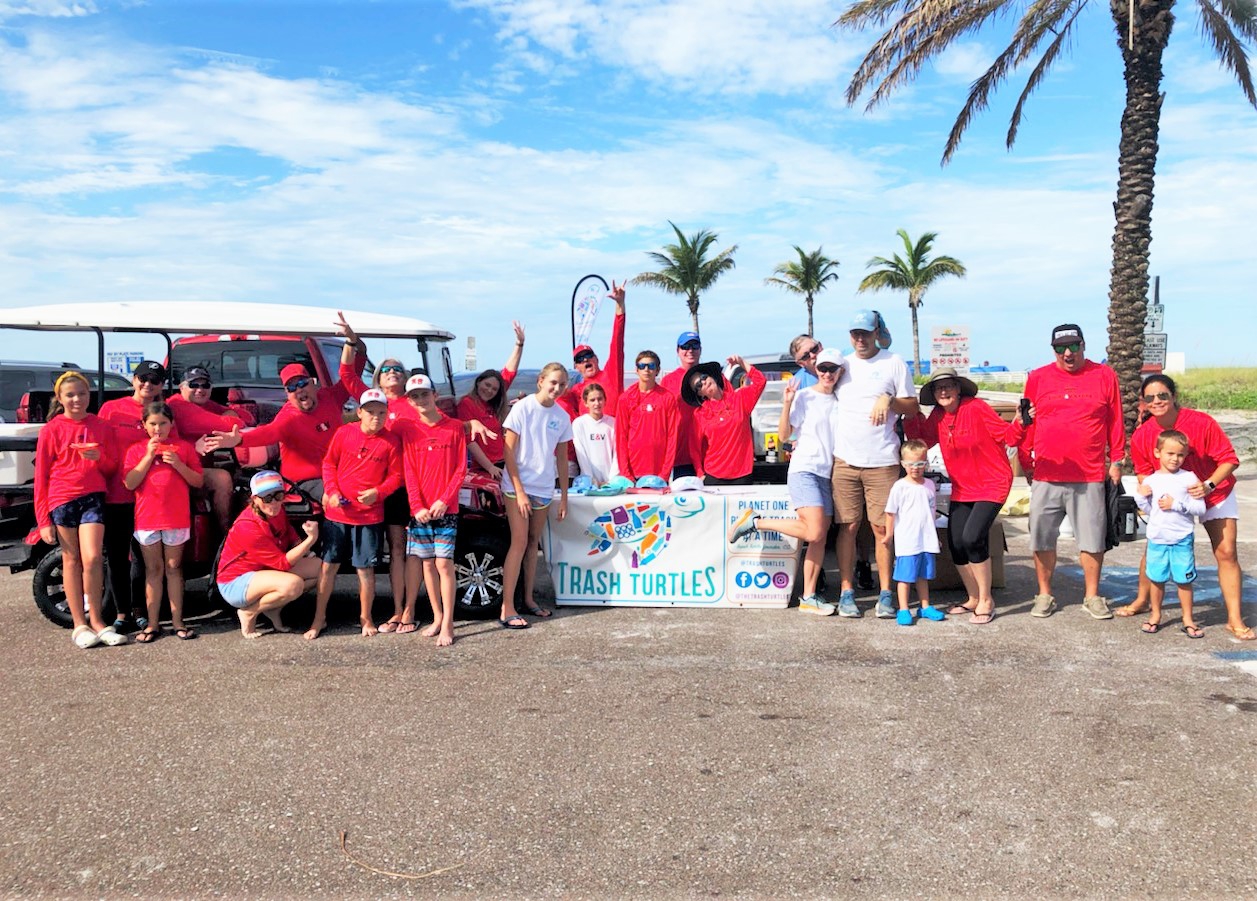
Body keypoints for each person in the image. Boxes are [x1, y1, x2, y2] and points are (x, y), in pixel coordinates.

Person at [1117, 373, 1252, 640]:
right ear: (1143, 403)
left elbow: (1229, 459)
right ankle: (1142, 600)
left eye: (1162, 395)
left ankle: (1234, 619)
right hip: (1170, 506)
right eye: (1150, 398)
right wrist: (1150, 499)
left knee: (1226, 552)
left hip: (1215, 494)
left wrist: (1208, 486)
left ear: (1174, 396)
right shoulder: (1143, 436)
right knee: (1154, 546)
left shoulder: (1202, 422)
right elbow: (1144, 473)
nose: (1157, 401)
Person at [728, 348, 844, 614]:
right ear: (816, 369)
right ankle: (755, 522)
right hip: (804, 469)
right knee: (814, 531)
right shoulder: (804, 396)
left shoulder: (840, 400)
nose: (826, 373)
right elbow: (783, 436)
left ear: (840, 372)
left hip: (827, 473)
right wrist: (788, 402)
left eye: (832, 369)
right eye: (822, 368)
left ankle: (809, 597)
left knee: (819, 538)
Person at [1021, 324, 1125, 619]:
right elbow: (1028, 420)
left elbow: (1115, 419)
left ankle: (1092, 596)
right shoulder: (1038, 378)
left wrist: (1116, 460)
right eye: (1060, 348)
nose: (1068, 353)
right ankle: (1044, 593)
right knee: (1041, 538)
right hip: (1046, 473)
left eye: (1074, 346)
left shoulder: (1104, 375)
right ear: (1053, 349)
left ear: (1083, 345)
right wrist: (1027, 463)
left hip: (1090, 474)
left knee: (1092, 539)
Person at [905, 367, 1023, 624]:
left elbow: (1007, 436)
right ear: (934, 394)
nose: (944, 391)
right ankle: (972, 598)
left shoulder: (976, 408)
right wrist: (909, 413)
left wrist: (1020, 422)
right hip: (963, 486)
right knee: (956, 543)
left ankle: (986, 599)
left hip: (993, 482)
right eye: (938, 388)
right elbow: (921, 440)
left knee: (972, 538)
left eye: (949, 386)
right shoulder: (937, 416)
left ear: (959, 389)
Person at [206, 312, 368, 499]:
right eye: (292, 387)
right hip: (306, 482)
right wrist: (238, 440)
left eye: (302, 383)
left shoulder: (330, 396)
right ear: (287, 395)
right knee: (338, 495)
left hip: (338, 473)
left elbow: (352, 375)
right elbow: (267, 433)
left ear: (314, 384)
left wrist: (355, 343)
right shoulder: (289, 417)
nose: (299, 390)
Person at [831, 309, 919, 619]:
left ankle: (885, 594)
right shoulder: (843, 364)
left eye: (866, 333)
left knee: (882, 529)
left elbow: (913, 406)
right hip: (845, 461)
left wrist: (889, 400)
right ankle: (846, 591)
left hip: (882, 461)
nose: (860, 338)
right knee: (849, 527)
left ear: (876, 332)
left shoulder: (893, 361)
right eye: (855, 333)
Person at [34, 371, 125, 649]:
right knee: (71, 560)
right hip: (61, 498)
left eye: (82, 394)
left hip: (93, 497)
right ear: (60, 399)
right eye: (70, 395)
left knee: (94, 557)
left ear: (89, 396)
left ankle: (97, 620)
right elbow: (42, 477)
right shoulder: (51, 429)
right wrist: (43, 520)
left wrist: (100, 458)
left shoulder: (101, 426)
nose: (77, 399)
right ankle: (79, 624)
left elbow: (111, 469)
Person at [306, 388, 403, 640]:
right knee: (328, 567)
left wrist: (378, 492)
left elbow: (397, 476)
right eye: (370, 412)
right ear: (359, 412)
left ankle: (366, 618)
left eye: (381, 412)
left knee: (365, 570)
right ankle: (318, 619)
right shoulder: (344, 433)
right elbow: (329, 464)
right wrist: (332, 490)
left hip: (370, 517)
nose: (376, 417)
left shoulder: (391, 441)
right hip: (337, 515)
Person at [392, 374, 467, 646]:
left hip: (446, 508)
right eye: (415, 396)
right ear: (409, 401)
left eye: (425, 394)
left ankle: (448, 622)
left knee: (444, 564)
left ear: (434, 395)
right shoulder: (409, 429)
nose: (421, 399)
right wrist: (416, 507)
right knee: (426, 563)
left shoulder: (455, 427)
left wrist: (445, 500)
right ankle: (436, 617)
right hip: (421, 511)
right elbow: (409, 471)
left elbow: (461, 469)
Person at [98, 359, 171, 634]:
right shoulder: (111, 409)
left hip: (149, 499)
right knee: (117, 555)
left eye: (154, 381)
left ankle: (140, 609)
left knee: (143, 558)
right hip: (117, 493)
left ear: (161, 385)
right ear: (134, 378)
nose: (147, 384)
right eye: (143, 378)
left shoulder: (162, 412)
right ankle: (121, 612)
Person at [122, 402, 204, 642]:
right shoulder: (136, 450)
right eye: (153, 424)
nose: (158, 429)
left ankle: (179, 622)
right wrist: (148, 456)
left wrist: (178, 464)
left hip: (176, 517)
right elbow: (130, 482)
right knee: (153, 570)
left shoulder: (184, 448)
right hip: (147, 518)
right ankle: (153, 624)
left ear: (171, 424)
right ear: (144, 425)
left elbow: (198, 481)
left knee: (174, 569)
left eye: (163, 423)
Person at [500, 363, 572, 629]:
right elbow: (508, 452)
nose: (557, 388)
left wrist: (563, 496)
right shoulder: (523, 408)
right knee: (518, 543)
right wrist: (519, 491)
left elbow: (562, 459)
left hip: (543, 489)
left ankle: (528, 599)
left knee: (533, 545)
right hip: (517, 486)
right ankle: (507, 606)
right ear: (541, 381)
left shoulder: (563, 416)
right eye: (553, 382)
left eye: (562, 384)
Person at [216, 470, 321, 638]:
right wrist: (310, 540)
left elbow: (289, 533)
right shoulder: (248, 526)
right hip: (235, 582)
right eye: (267, 498)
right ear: (254, 499)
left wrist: (302, 547)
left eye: (278, 495)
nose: (273, 503)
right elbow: (282, 564)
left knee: (322, 569)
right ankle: (249, 612)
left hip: (263, 570)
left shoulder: (278, 511)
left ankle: (273, 608)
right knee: (293, 585)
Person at [1133, 429, 1207, 638]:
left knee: (1184, 580)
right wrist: (1140, 498)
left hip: (1181, 538)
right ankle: (1155, 615)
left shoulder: (1189, 478)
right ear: (1158, 453)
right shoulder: (1151, 480)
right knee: (1156, 579)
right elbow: (1151, 510)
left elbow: (1200, 509)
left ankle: (1188, 619)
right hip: (1157, 538)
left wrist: (1177, 505)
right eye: (1170, 454)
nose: (1175, 459)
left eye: (1180, 455)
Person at [167, 365, 249, 530]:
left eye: (205, 385)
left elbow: (248, 417)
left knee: (239, 473)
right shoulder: (178, 405)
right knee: (222, 478)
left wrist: (230, 414)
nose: (200, 389)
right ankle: (224, 534)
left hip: (196, 467)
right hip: (178, 469)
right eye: (193, 385)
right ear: (182, 387)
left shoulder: (204, 405)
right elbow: (234, 424)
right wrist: (230, 417)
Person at [881, 439, 946, 626]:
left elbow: (931, 512)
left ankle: (925, 606)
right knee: (905, 577)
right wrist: (888, 535)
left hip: (926, 539)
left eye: (919, 464)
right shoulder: (899, 487)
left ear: (926, 463)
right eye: (910, 464)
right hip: (907, 541)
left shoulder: (930, 485)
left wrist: (935, 536)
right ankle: (903, 608)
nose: (915, 468)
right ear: (903, 464)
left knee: (923, 576)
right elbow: (890, 513)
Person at [456, 321, 526, 479]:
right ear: (479, 381)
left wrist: (519, 344)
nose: (489, 390)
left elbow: (509, 372)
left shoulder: (493, 403)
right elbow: (469, 440)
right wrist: (490, 467)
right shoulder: (467, 403)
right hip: (486, 468)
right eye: (487, 385)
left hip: (504, 461)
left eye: (494, 389)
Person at [682, 355, 766, 485]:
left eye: (704, 377)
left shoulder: (740, 399)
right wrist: (700, 473)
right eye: (698, 385)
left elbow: (760, 381)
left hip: (742, 473)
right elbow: (694, 447)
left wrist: (741, 362)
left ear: (712, 377)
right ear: (700, 394)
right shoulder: (699, 414)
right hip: (714, 475)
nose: (703, 382)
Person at [559, 281, 626, 418]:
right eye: (580, 359)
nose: (585, 360)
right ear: (576, 366)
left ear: (596, 359)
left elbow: (617, 343)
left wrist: (620, 305)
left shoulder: (611, 375)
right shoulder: (576, 391)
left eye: (589, 355)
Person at [615, 350, 679, 483]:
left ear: (657, 370)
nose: (646, 369)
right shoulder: (626, 398)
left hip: (659, 473)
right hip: (633, 472)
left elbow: (672, 437)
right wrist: (626, 474)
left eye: (651, 366)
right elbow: (621, 437)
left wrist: (665, 474)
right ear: (636, 370)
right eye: (642, 366)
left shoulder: (667, 398)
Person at [659, 330, 703, 477]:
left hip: (708, 454)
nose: (690, 350)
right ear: (678, 351)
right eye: (685, 347)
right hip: (680, 455)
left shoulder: (713, 377)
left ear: (700, 349)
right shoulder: (668, 381)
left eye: (694, 346)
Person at [570, 383, 618, 486]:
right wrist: (591, 480)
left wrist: (612, 480)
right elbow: (581, 454)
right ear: (585, 403)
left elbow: (617, 453)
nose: (597, 403)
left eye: (600, 399)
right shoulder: (579, 424)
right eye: (592, 400)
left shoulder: (613, 423)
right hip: (588, 482)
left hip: (611, 482)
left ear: (605, 400)